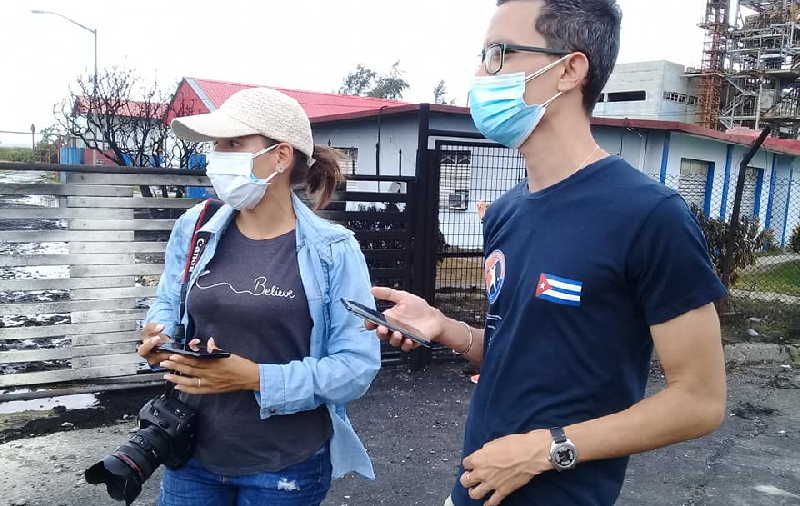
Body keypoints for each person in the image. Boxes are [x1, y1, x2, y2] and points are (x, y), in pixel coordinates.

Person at [369, 1, 728, 505]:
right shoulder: (507, 211)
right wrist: (443, 327)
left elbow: (699, 401)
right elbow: (519, 353)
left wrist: (547, 448)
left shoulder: (651, 216)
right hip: (474, 487)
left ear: (569, 70)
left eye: (497, 54)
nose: (478, 74)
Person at [137, 87, 381, 506]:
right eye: (216, 146)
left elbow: (356, 366)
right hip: (190, 450)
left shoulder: (334, 250)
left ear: (280, 156)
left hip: (285, 465)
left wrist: (255, 378)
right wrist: (159, 336)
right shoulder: (194, 226)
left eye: (232, 143)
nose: (217, 156)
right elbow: (168, 301)